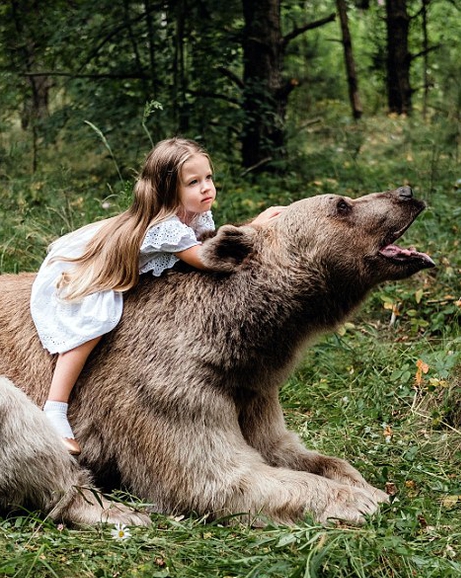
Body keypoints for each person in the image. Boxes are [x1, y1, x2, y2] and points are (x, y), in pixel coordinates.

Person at [30, 137, 282, 454]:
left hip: (120, 250)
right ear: (168, 190)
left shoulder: (194, 213)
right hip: (106, 267)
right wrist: (254, 228)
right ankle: (54, 408)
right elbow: (206, 258)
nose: (207, 188)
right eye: (193, 182)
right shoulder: (167, 227)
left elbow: (206, 240)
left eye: (208, 178)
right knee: (92, 324)